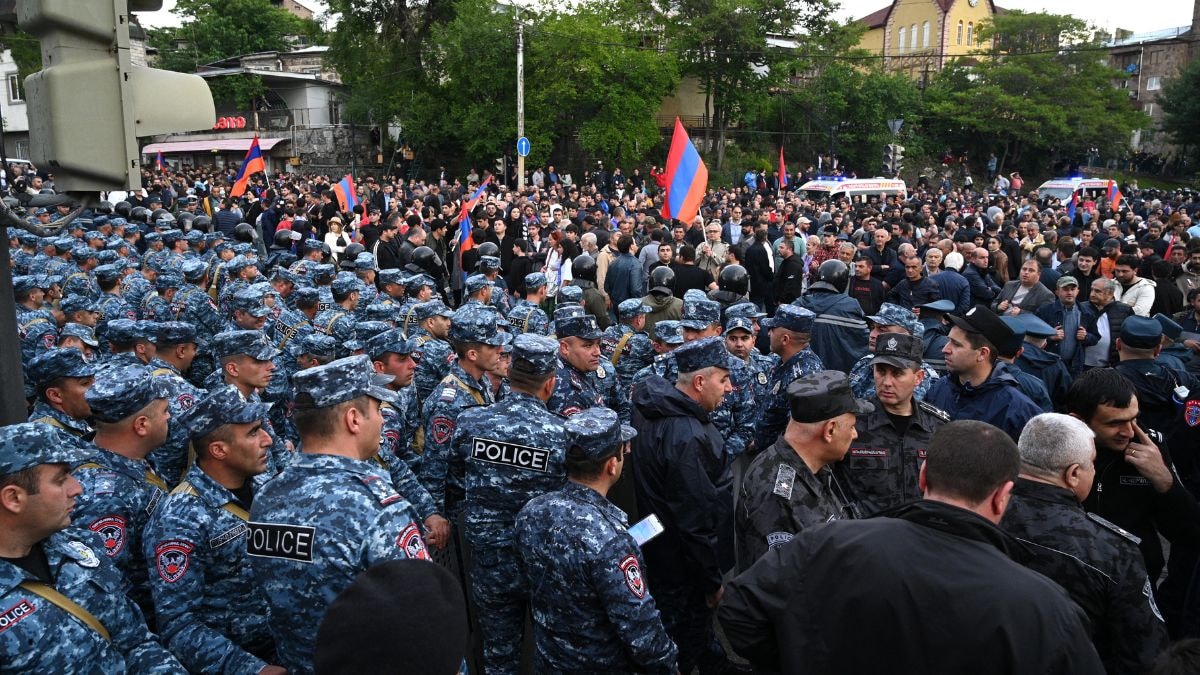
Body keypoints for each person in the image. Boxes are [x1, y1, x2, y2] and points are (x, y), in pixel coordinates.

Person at [718, 421, 1104, 675]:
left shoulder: (831, 543)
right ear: (1004, 496)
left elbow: (738, 608)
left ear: (922, 476)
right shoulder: (1044, 608)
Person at [248, 355, 430, 674]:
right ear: (353, 419)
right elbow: (425, 619)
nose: (383, 420)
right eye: (377, 410)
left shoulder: (266, 496)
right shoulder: (377, 507)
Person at [0, 423, 186, 673]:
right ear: (13, 498)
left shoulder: (79, 547)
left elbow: (135, 643)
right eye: (60, 479)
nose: (77, 488)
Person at [1000, 413, 1167, 673]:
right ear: (1074, 474)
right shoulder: (1112, 550)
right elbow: (1144, 652)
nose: (1094, 469)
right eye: (1092, 463)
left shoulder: (984, 515)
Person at [514, 407, 677, 674]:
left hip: (551, 662)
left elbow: (525, 581)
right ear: (611, 466)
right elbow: (641, 630)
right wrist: (669, 665)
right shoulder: (610, 539)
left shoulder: (531, 511)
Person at [142, 386, 285, 674]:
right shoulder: (180, 518)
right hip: (244, 658)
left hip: (286, 643)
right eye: (254, 432)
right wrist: (250, 669)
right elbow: (179, 625)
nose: (268, 440)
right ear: (219, 450)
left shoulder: (264, 488)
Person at [452, 334, 568, 675]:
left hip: (489, 559)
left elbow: (456, 484)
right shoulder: (561, 434)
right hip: (544, 560)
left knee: (499, 652)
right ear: (549, 385)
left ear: (509, 374)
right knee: (554, 648)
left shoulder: (472, 423)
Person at [1066, 367, 1200, 633]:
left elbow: (1190, 534)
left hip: (1134, 591)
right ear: (1079, 421)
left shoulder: (1150, 450)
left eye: (1133, 419)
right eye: (1114, 423)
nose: (1128, 432)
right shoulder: (1057, 447)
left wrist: (1165, 480)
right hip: (1071, 588)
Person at [630, 336, 735, 674]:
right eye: (723, 379)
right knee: (683, 646)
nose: (729, 388)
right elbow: (694, 520)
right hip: (683, 566)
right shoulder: (687, 434)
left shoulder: (652, 409)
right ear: (700, 382)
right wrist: (711, 581)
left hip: (657, 546)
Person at [737, 371, 868, 571]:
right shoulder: (777, 496)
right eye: (851, 426)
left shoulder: (814, 466)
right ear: (830, 430)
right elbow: (777, 586)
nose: (855, 434)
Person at [73, 365, 173, 623]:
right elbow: (109, 588)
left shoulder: (131, 459)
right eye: (164, 411)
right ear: (142, 425)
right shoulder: (105, 499)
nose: (169, 417)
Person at [837, 333, 950, 516]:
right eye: (881, 371)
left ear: (918, 377)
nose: (887, 382)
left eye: (897, 373)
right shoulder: (853, 421)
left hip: (918, 534)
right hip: (865, 535)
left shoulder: (937, 426)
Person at [924, 305, 1042, 441]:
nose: (945, 349)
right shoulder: (939, 388)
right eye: (948, 340)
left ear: (982, 353)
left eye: (956, 344)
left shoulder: (1016, 410)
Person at [795, 259, 868, 373]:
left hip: (802, 375)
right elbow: (862, 342)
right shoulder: (850, 306)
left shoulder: (799, 304)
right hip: (836, 377)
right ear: (843, 282)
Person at [1036, 276, 1099, 376]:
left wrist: (1086, 336)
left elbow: (1095, 338)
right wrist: (1049, 336)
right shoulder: (1045, 311)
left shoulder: (1087, 313)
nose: (1069, 292)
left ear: (1078, 291)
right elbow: (1033, 337)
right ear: (1057, 292)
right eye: (1065, 289)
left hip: (1075, 367)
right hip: (1049, 364)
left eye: (1073, 289)